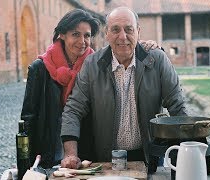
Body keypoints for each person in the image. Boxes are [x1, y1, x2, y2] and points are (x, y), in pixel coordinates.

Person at [20, 8, 158, 168]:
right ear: (62, 35)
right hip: (47, 151)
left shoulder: (96, 65)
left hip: (85, 151)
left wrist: (140, 45)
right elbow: (28, 118)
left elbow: (121, 47)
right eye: (75, 34)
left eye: (87, 35)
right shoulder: (40, 68)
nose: (82, 41)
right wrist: (26, 160)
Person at [60, 7, 187, 170]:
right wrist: (70, 154)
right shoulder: (92, 65)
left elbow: (177, 106)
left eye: (129, 29)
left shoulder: (158, 60)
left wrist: (195, 151)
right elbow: (73, 109)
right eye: (115, 30)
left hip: (149, 156)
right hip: (106, 158)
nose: (123, 37)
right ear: (106, 33)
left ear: (138, 31)